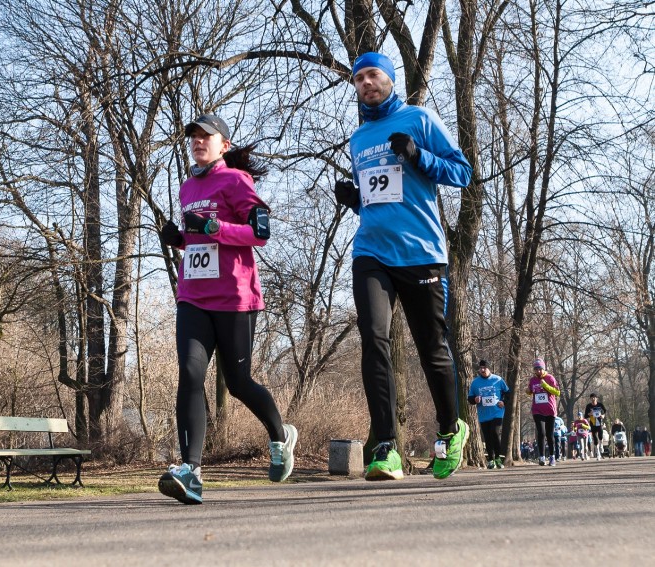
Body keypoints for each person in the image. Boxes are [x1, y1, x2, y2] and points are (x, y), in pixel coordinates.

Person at [333, 52, 473, 481]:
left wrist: (417, 155)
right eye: (358, 79)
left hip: (421, 252)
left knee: (432, 348)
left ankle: (451, 431)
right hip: (371, 251)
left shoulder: (419, 119)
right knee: (373, 339)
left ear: (390, 78)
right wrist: (357, 200)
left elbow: (462, 172)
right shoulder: (358, 139)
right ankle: (386, 447)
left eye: (373, 75)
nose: (365, 84)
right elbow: (382, 198)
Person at [157, 113, 298, 504]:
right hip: (193, 297)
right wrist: (180, 240)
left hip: (235, 298)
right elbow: (199, 239)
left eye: (206, 136)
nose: (198, 142)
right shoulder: (187, 187)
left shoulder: (237, 181)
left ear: (224, 145)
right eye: (193, 137)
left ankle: (280, 435)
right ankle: (192, 471)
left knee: (238, 385)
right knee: (189, 372)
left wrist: (215, 229)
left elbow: (260, 234)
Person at [468, 359, 509, 470]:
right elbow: (470, 398)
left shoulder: (498, 380)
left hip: (497, 412)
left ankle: (498, 459)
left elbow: (507, 393)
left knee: (494, 433)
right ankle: (491, 460)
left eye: (484, 368)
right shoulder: (475, 383)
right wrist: (475, 399)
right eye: (480, 368)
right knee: (487, 437)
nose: (482, 370)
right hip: (483, 414)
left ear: (488, 368)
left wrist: (503, 402)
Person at [526, 358, 560, 466]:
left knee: (550, 435)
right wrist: (528, 391)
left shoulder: (550, 378)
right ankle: (542, 457)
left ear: (543, 368)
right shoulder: (532, 380)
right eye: (536, 369)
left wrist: (546, 386)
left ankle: (552, 457)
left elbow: (557, 392)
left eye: (540, 369)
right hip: (537, 410)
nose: (538, 371)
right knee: (541, 433)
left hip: (550, 410)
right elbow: (530, 391)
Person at [584, 393, 608, 460]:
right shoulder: (588, 406)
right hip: (593, 423)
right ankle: (598, 454)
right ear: (590, 399)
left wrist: (603, 415)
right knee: (595, 439)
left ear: (596, 398)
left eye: (594, 397)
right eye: (592, 398)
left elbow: (605, 411)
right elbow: (585, 415)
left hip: (599, 423)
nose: (593, 399)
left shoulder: (600, 405)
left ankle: (601, 446)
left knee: (600, 436)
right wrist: (590, 414)